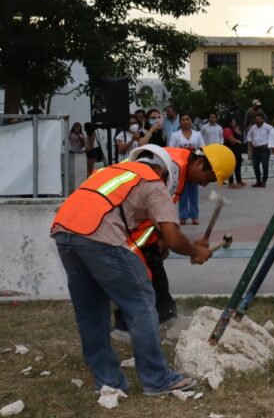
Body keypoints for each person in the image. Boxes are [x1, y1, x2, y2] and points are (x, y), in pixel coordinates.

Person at [50, 144, 234, 396]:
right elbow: (173, 237)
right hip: (99, 237)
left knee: (91, 311)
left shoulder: (116, 170)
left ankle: (108, 381)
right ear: (164, 173)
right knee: (141, 302)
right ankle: (157, 379)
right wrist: (194, 251)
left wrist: (184, 244)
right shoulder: (154, 182)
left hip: (64, 232)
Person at [111, 144, 235, 341]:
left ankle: (166, 316)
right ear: (200, 162)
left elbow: (161, 209)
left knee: (154, 264)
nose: (204, 185)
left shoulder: (180, 167)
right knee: (137, 273)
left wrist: (162, 239)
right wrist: (192, 250)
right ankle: (125, 328)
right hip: (119, 221)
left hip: (136, 221)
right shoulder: (171, 169)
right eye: (208, 178)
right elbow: (158, 212)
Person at [169, 113, 206, 225]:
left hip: (194, 166)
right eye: (183, 120)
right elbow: (171, 150)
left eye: (187, 119)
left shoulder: (197, 134)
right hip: (181, 165)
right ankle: (183, 216)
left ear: (191, 121)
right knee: (183, 191)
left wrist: (194, 151)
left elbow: (204, 148)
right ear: (180, 122)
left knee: (194, 192)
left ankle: (194, 216)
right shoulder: (175, 135)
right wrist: (182, 150)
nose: (185, 122)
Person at [246, 112, 272, 188]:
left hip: (265, 150)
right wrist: (251, 143)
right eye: (256, 119)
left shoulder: (268, 127)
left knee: (264, 166)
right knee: (255, 166)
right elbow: (248, 136)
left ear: (263, 119)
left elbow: (273, 137)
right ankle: (258, 181)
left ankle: (264, 181)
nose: (258, 120)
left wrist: (268, 145)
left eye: (259, 119)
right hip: (256, 150)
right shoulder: (253, 127)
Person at [223, 116, 245, 188]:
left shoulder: (235, 129)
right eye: (233, 121)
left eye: (234, 121)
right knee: (231, 166)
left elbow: (240, 136)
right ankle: (231, 182)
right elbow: (230, 138)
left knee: (238, 164)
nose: (234, 122)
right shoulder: (227, 129)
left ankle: (239, 180)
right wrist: (238, 141)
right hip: (230, 150)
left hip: (237, 150)